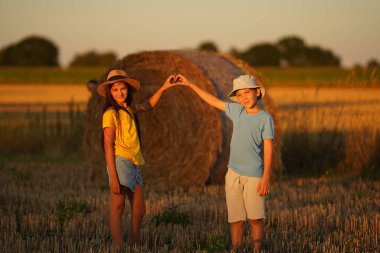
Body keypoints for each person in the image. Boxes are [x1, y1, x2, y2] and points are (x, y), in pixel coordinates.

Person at [176, 74, 274, 252]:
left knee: (255, 218)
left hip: (254, 176)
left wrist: (266, 177)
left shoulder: (265, 119)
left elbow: (268, 149)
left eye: (247, 92)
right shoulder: (237, 111)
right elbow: (212, 101)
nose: (243, 97)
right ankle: (235, 248)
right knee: (235, 218)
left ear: (257, 92)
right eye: (240, 95)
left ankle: (256, 249)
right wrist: (190, 84)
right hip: (233, 174)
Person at [97, 69, 176, 248]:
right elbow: (108, 147)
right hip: (120, 162)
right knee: (118, 207)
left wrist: (163, 87)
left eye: (122, 88)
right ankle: (119, 248)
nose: (119, 93)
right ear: (110, 92)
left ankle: (133, 242)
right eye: (115, 90)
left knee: (140, 209)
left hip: (134, 162)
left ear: (128, 90)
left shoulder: (130, 109)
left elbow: (148, 105)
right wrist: (114, 178)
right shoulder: (110, 113)